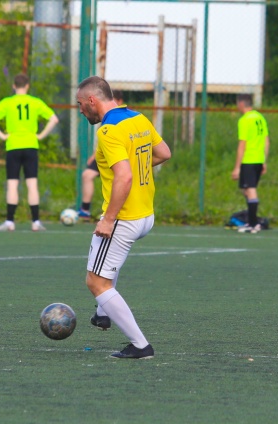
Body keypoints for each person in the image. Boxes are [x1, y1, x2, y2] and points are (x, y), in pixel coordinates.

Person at [76, 76, 171, 359]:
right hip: (145, 215)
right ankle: (103, 313)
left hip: (124, 218)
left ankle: (141, 346)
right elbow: (164, 153)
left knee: (96, 282)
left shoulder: (108, 130)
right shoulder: (138, 118)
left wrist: (108, 219)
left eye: (80, 104)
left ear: (92, 100)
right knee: (105, 265)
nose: (80, 110)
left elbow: (125, 176)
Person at [0, 74, 59, 232]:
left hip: (13, 146)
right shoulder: (35, 102)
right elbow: (54, 119)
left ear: (14, 86)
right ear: (27, 86)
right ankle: (36, 221)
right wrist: (41, 135)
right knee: (32, 183)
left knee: (12, 184)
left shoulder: (7, 102)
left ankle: (10, 221)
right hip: (31, 145)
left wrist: (2, 136)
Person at [78, 89, 124, 220]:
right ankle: (85, 210)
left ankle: (114, 212)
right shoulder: (106, 116)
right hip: (104, 154)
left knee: (120, 178)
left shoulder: (124, 117)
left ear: (120, 101)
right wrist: (94, 155)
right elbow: (103, 139)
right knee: (87, 175)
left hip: (117, 155)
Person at [231, 93, 270, 234]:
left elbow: (242, 144)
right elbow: (266, 141)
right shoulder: (260, 117)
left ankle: (253, 224)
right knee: (245, 189)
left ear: (241, 104)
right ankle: (251, 220)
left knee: (250, 189)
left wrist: (237, 167)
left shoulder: (245, 120)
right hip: (259, 159)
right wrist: (264, 160)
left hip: (249, 159)